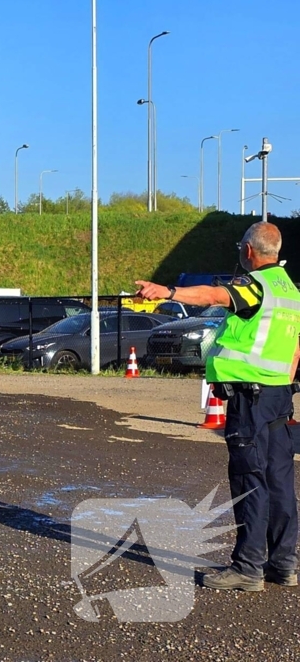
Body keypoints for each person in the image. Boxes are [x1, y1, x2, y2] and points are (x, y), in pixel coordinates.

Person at [136, 222, 300, 592]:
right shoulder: (289, 289)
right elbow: (294, 349)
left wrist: (168, 291)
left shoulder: (254, 285)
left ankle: (248, 568)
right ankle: (283, 564)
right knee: (279, 480)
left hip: (251, 397)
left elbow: (214, 295)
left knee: (249, 479)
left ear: (248, 251)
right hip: (278, 395)